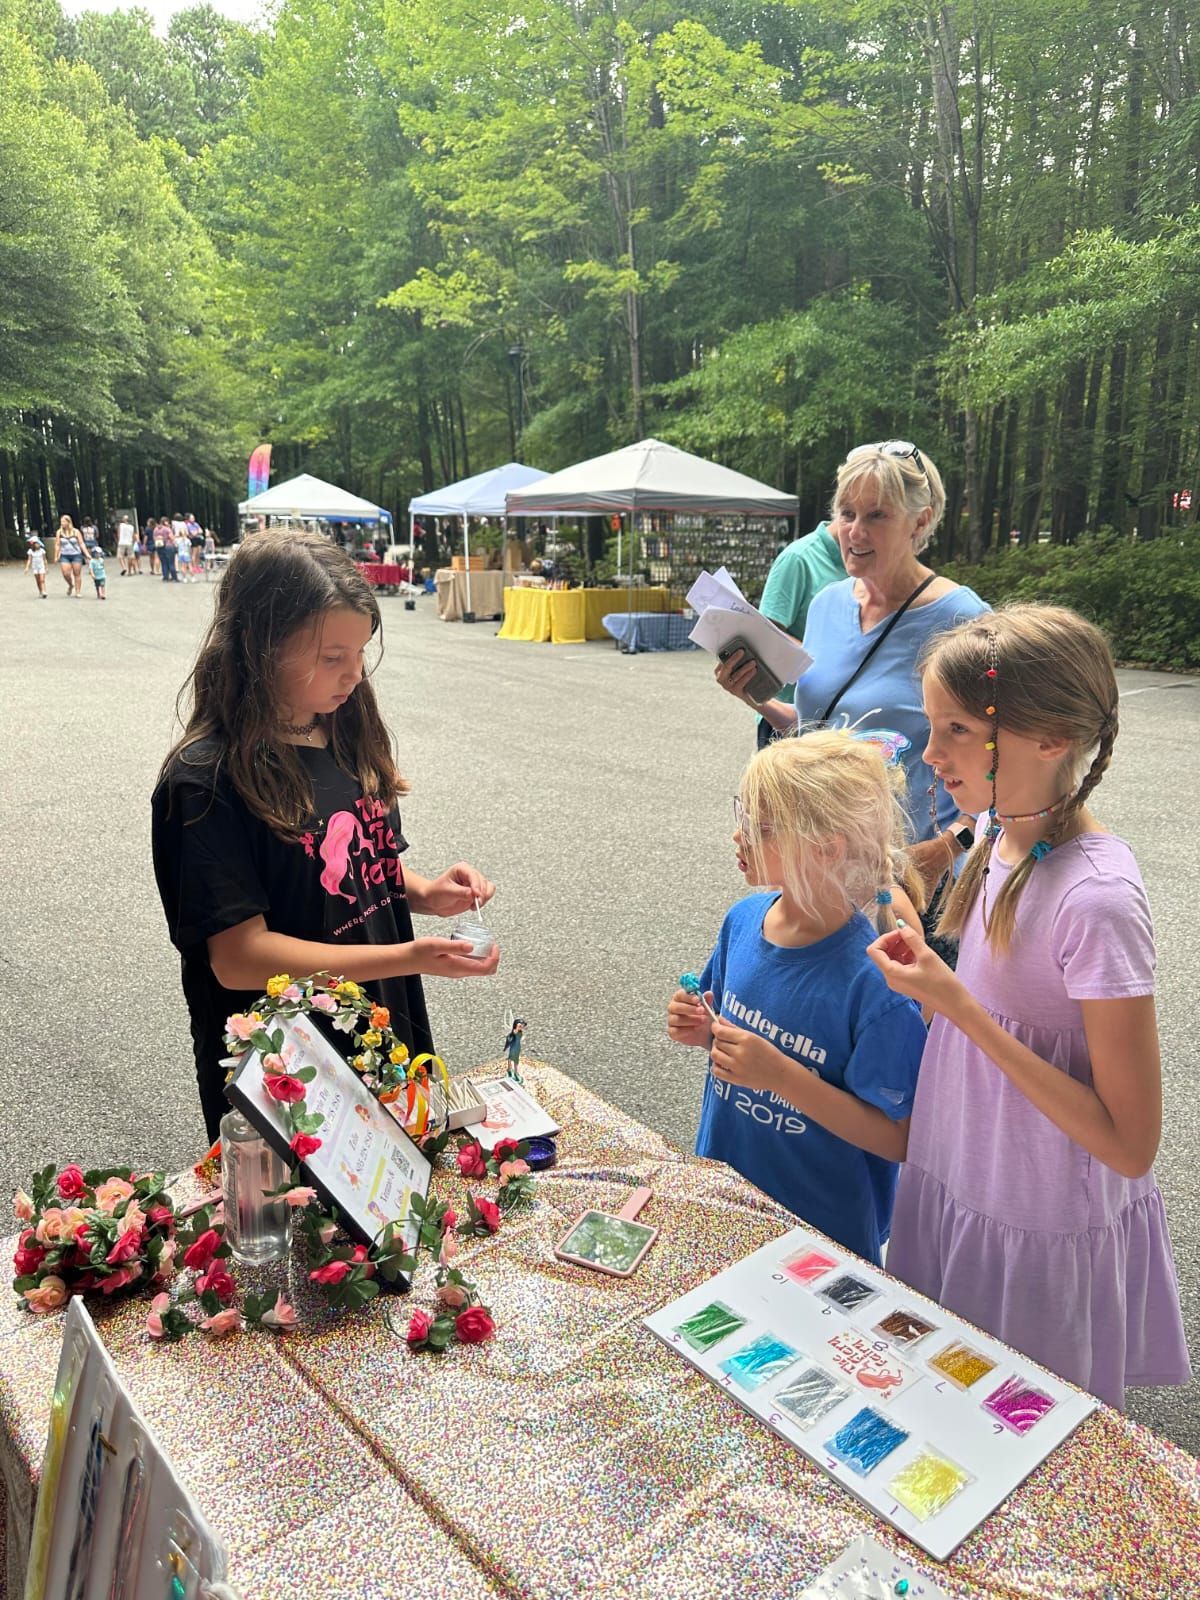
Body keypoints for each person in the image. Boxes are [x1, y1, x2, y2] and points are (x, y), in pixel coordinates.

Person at [868, 606, 1190, 1409]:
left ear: (1047, 738)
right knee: (942, 1404)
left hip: (1033, 1212)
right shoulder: (995, 829)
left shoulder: (1098, 899)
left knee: (1024, 1430)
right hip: (962, 1170)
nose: (929, 752)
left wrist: (962, 1008)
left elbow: (1130, 1144)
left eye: (953, 730)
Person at [152, 528, 501, 1142]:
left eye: (360, 653)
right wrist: (408, 955)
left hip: (381, 1022)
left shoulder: (339, 725)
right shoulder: (206, 780)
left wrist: (420, 892)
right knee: (314, 1219)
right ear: (258, 647)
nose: (354, 676)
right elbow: (238, 959)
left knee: (402, 1191)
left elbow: (343, 861)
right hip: (289, 1063)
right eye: (331, 657)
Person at [666, 731, 929, 1264]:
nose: (737, 836)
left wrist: (782, 1076)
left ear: (826, 846)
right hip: (727, 1197)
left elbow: (899, 1140)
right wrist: (701, 1029)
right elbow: (729, 1028)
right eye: (742, 816)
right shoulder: (742, 922)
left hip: (821, 1236)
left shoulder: (877, 979)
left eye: (760, 827)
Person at [716, 443, 989, 898]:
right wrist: (758, 699)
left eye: (876, 515)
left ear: (920, 522)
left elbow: (1002, 755)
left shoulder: (961, 618)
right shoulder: (827, 604)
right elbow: (823, 729)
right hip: (821, 861)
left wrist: (947, 847)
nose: (854, 532)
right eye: (846, 513)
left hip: (915, 873)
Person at [754, 520, 847, 749]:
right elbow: (765, 633)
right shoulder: (798, 558)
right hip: (787, 716)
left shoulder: (866, 563)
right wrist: (821, 663)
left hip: (839, 719)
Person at [53, 515, 86, 597]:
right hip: (64, 555)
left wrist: (87, 554)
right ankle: (71, 584)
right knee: (65, 573)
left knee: (77, 574)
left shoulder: (76, 532)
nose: (62, 523)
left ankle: (78, 591)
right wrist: (56, 556)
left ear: (68, 522)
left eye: (64, 521)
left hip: (76, 555)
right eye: (61, 522)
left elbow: (81, 543)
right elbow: (57, 544)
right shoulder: (59, 532)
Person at [157, 518, 178, 582]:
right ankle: (174, 577)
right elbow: (172, 538)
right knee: (171, 563)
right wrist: (175, 545)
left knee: (164, 563)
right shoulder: (167, 529)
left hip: (159, 547)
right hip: (169, 547)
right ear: (165, 522)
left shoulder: (156, 529)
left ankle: (165, 577)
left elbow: (154, 538)